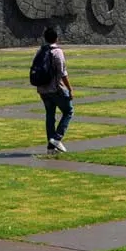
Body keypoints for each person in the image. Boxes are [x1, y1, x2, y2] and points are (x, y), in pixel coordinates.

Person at [31, 25, 72, 154]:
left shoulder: (41, 51)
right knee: (68, 111)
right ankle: (57, 137)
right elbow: (62, 72)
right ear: (56, 38)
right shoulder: (57, 52)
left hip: (42, 89)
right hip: (55, 89)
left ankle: (51, 146)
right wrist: (70, 89)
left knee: (50, 115)